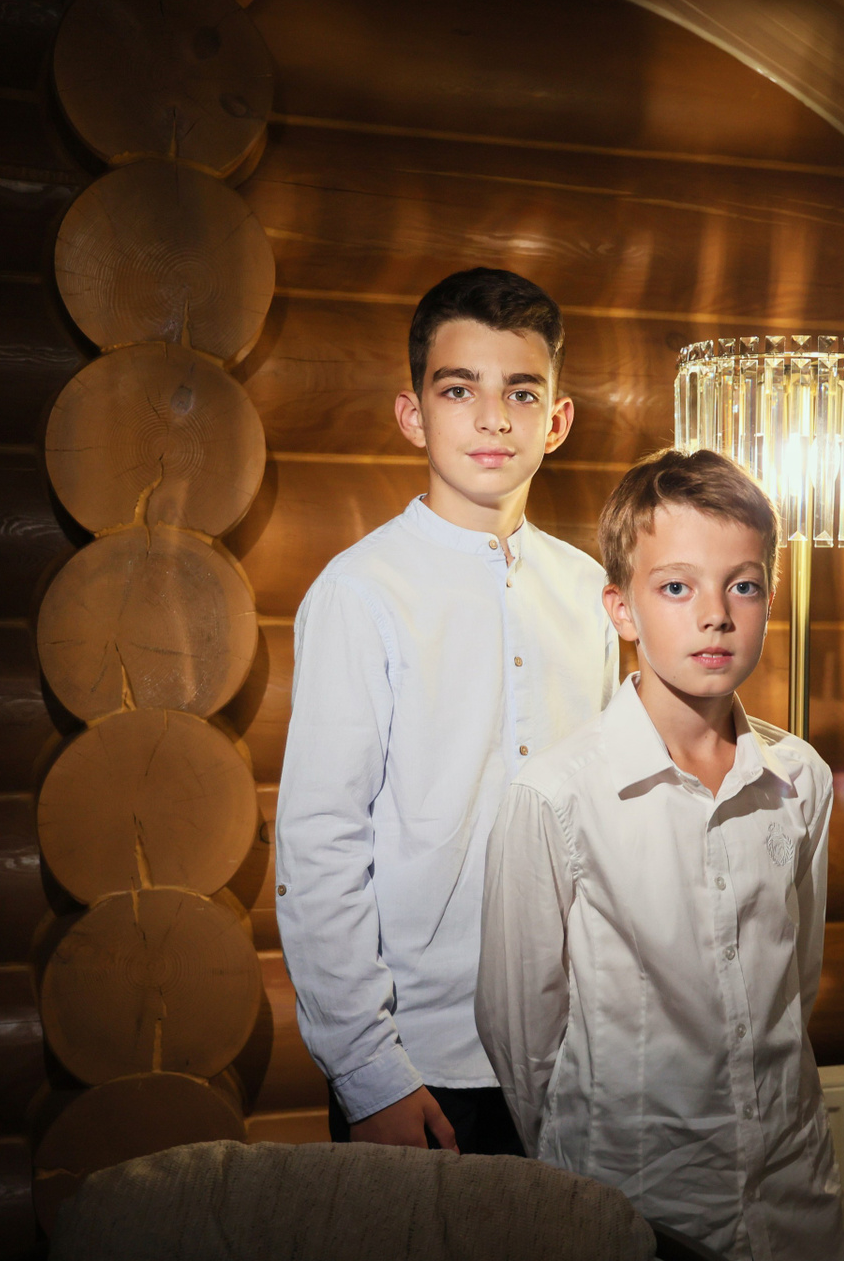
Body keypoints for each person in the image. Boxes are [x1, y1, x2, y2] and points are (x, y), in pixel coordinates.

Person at [274, 268, 618, 1156]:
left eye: (521, 392)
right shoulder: (360, 592)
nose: (493, 418)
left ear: (557, 420)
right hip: (419, 1064)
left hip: (574, 1056)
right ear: (414, 415)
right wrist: (368, 1073)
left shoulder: (592, 592)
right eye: (459, 390)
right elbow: (319, 845)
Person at [477, 449, 844, 1261]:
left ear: (769, 599)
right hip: (637, 1208)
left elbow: (795, 983)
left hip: (795, 1205)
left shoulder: (801, 780)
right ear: (622, 609)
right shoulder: (555, 797)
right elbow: (522, 1039)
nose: (715, 615)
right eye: (677, 587)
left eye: (742, 585)